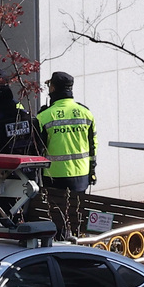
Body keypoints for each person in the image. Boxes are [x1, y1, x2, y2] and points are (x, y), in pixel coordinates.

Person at [35, 71, 97, 241]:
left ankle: (62, 243)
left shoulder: (44, 116)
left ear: (53, 88)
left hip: (55, 175)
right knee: (77, 215)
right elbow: (93, 145)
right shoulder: (86, 113)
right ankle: (77, 243)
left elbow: (38, 149)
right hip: (81, 175)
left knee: (59, 217)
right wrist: (92, 170)